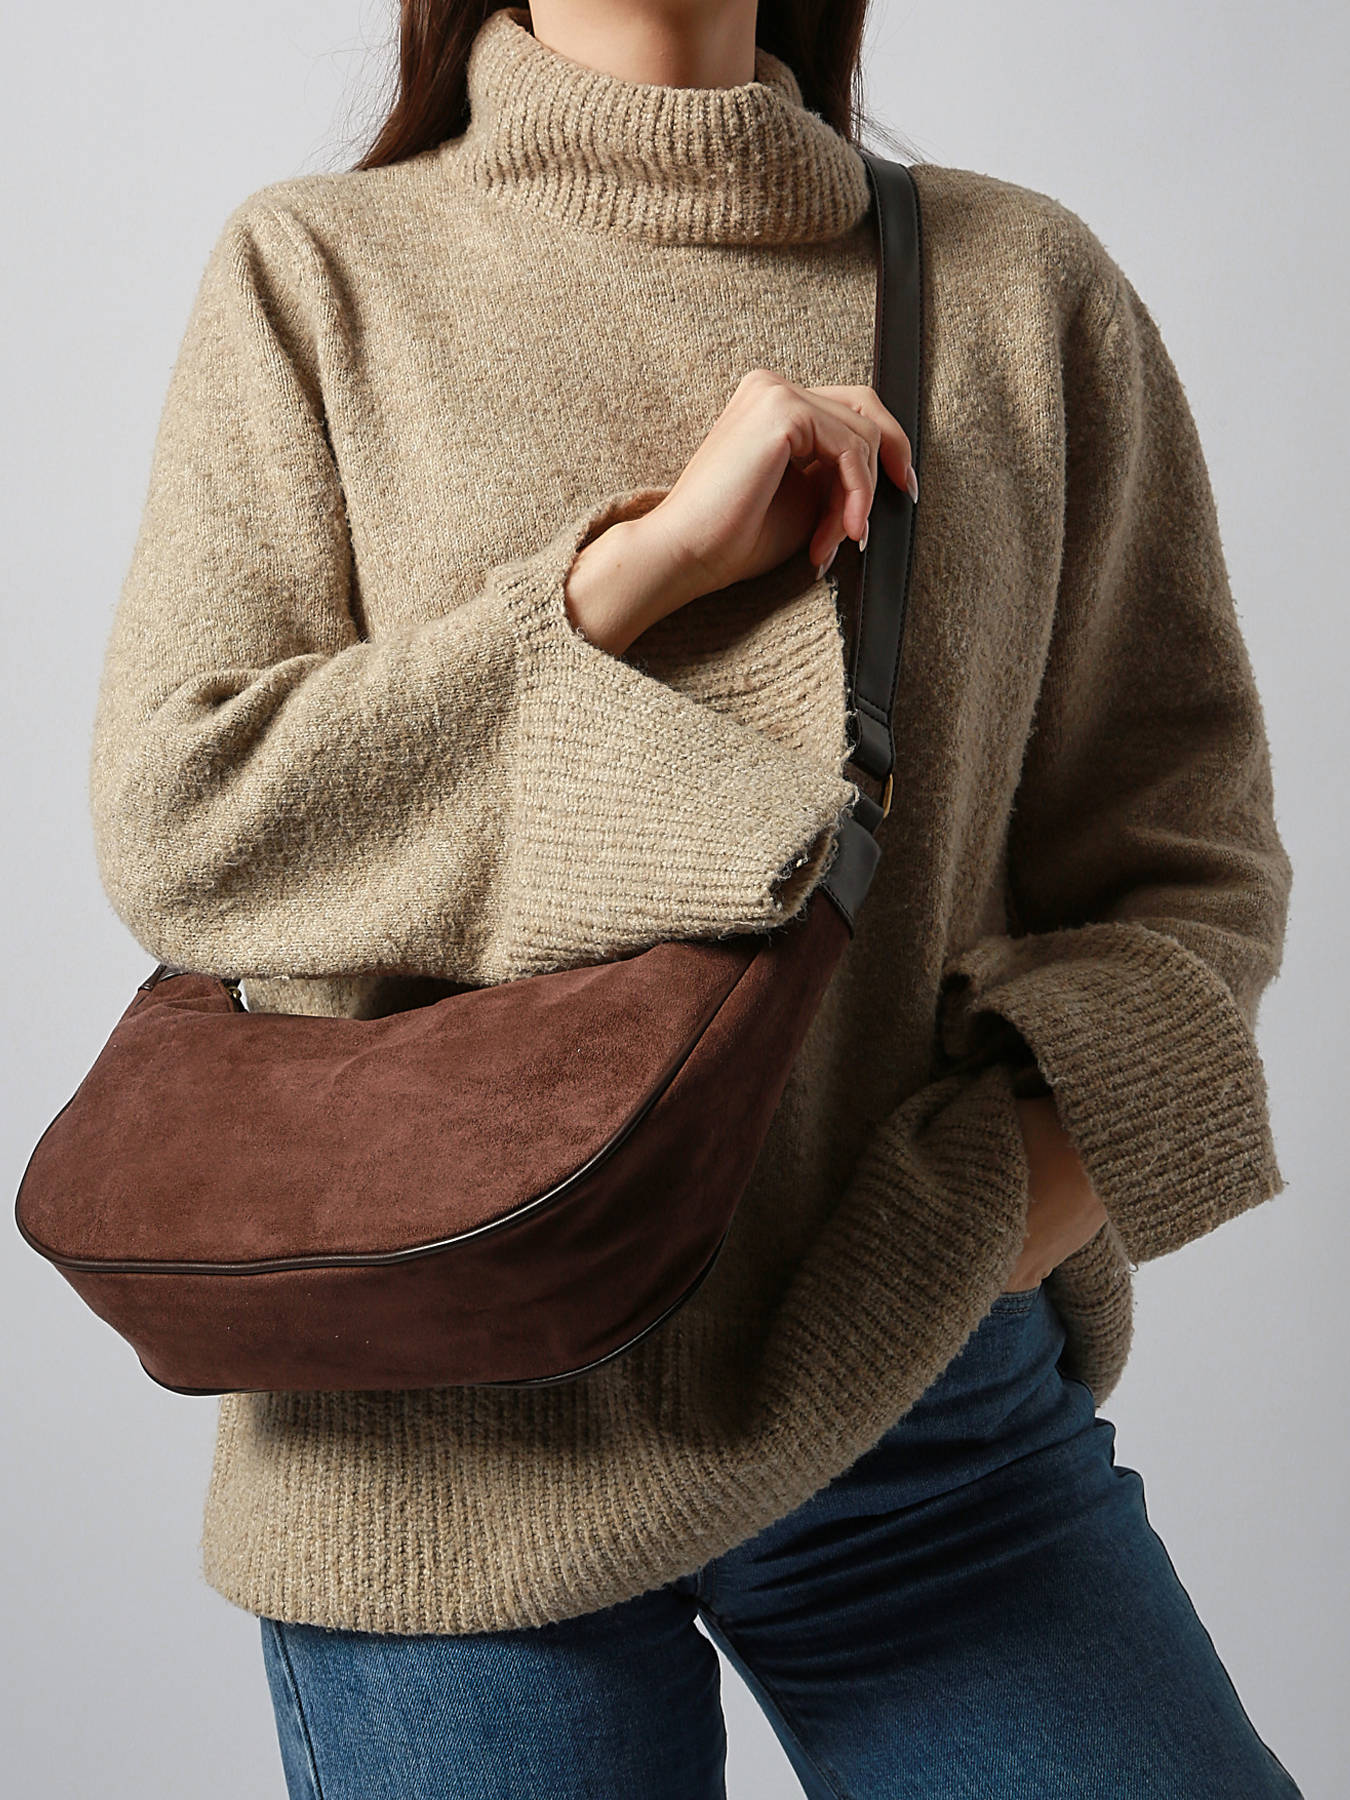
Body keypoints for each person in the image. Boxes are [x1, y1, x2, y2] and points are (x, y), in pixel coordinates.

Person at [88, 2, 1304, 1794]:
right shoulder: (322, 270)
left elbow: (1183, 849)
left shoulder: (1019, 288)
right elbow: (184, 818)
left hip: (917, 1411)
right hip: (437, 1447)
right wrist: (635, 573)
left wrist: (1009, 1202)